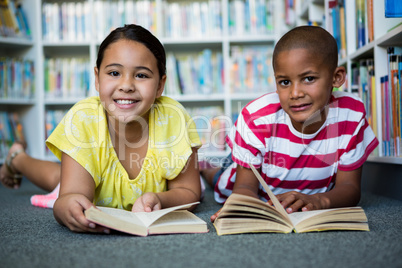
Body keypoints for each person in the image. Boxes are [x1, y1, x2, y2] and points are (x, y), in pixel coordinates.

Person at [0, 24, 203, 233]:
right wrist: (70, 205)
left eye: (141, 75)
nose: (126, 85)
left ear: (160, 85)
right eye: (114, 73)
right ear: (97, 78)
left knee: (61, 175)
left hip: (143, 185)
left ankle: (19, 158)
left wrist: (159, 198)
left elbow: (188, 191)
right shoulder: (83, 119)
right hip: (92, 183)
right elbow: (68, 199)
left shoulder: (174, 118)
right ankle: (17, 158)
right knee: (60, 180)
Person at [202, 26, 379, 222]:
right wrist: (248, 208)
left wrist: (319, 201)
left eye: (309, 79)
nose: (295, 93)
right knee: (219, 178)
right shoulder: (256, 117)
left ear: (336, 78)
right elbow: (244, 189)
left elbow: (350, 188)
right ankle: (204, 168)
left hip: (299, 186)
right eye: (285, 82)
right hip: (249, 171)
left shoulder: (351, 114)